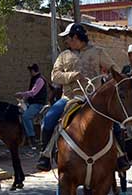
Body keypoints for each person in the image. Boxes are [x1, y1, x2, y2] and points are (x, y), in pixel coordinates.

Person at [36, 22, 118, 172]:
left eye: (68, 38)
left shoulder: (98, 52)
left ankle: (120, 155)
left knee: (116, 121)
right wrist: (73, 75)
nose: (66, 41)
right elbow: (55, 76)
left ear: (75, 37)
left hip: (95, 99)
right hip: (69, 98)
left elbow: (115, 70)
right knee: (48, 119)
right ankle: (45, 155)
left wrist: (110, 80)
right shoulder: (64, 55)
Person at [16, 64, 47, 148]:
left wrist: (22, 94)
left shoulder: (40, 80)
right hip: (32, 103)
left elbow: (33, 92)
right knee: (18, 112)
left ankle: (32, 137)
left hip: (38, 104)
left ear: (33, 71)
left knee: (26, 116)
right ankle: (24, 137)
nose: (30, 73)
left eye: (30, 71)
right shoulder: (35, 79)